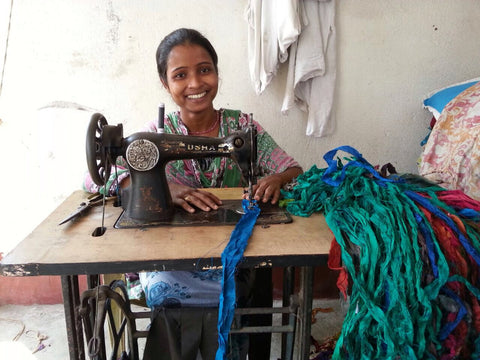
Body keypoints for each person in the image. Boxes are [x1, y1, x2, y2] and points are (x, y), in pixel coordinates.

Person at [84, 28, 302, 360]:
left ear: (216, 72)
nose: (196, 84)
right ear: (165, 82)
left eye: (204, 69)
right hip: (169, 255)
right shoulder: (156, 134)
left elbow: (294, 170)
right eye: (180, 75)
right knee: (173, 289)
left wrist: (276, 177)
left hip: (234, 251)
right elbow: (95, 180)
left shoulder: (243, 127)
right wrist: (160, 187)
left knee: (246, 277)